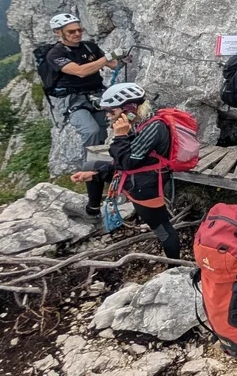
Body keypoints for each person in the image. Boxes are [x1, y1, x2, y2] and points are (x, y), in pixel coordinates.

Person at [69, 82, 180, 260]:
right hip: (136, 175)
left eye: (111, 111)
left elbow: (127, 163)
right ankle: (92, 212)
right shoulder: (137, 122)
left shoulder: (153, 128)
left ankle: (174, 268)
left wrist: (120, 136)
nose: (107, 115)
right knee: (90, 166)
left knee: (162, 229)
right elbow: (121, 162)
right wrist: (96, 175)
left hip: (145, 185)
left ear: (129, 109)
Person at [45, 13, 125, 164]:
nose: (77, 34)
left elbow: (113, 65)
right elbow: (80, 71)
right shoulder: (55, 54)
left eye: (79, 30)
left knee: (102, 132)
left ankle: (102, 167)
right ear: (58, 32)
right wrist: (106, 58)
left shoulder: (89, 47)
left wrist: (123, 59)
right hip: (73, 100)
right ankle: (90, 168)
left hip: (97, 94)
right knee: (90, 130)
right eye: (71, 31)